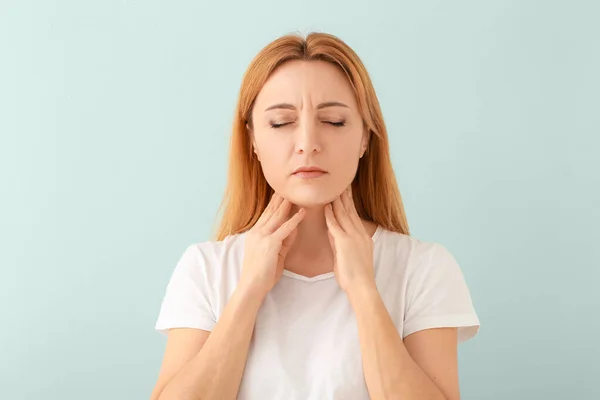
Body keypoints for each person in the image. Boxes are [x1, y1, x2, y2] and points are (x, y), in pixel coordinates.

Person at [150, 32, 480, 400]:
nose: (308, 142)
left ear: (365, 139)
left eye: (334, 121)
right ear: (253, 141)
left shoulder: (423, 267)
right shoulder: (206, 268)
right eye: (280, 123)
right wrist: (248, 291)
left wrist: (364, 290)